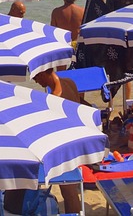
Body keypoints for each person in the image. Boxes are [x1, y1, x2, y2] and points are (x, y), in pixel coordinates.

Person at [32, 67, 84, 212]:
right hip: (75, 142)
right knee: (71, 190)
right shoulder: (70, 83)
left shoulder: (53, 99)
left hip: (64, 147)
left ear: (43, 72)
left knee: (69, 192)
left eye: (36, 76)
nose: (34, 80)